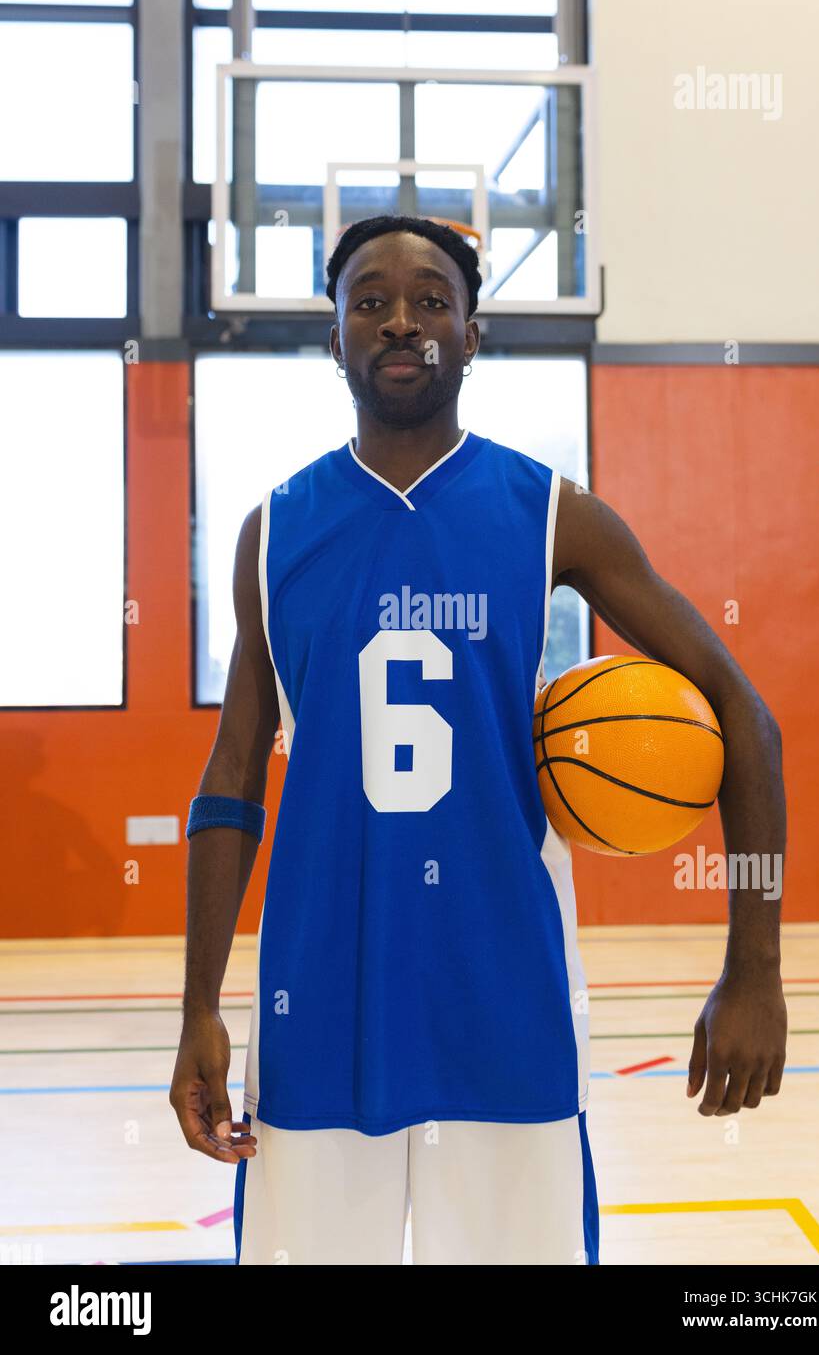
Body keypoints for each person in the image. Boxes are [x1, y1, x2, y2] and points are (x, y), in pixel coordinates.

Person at [170, 215, 787, 1266]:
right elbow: (231, 779)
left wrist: (756, 969)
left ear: (471, 331)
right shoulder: (273, 531)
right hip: (318, 998)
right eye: (368, 301)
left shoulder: (553, 514)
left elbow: (744, 713)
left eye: (430, 300)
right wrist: (198, 1009)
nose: (401, 320)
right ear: (333, 338)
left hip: (506, 995)